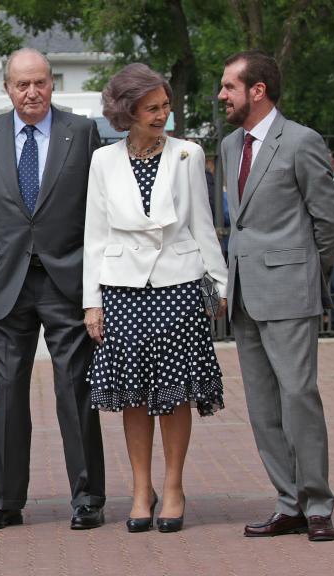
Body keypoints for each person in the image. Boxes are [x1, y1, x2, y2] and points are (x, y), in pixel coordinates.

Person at [0, 47, 106, 531]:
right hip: (5, 283)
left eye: (40, 82)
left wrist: (96, 285)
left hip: (67, 279)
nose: (32, 92)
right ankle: (5, 501)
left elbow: (98, 211)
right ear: (7, 88)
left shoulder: (81, 132)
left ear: (53, 83)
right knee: (8, 392)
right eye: (22, 84)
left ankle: (87, 498)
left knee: (74, 389)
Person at [83, 63, 229, 534]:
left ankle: (173, 487)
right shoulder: (103, 160)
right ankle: (141, 489)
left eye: (166, 106)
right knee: (134, 396)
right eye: (152, 108)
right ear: (127, 112)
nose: (162, 115)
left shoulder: (188, 153)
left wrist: (219, 284)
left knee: (176, 392)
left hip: (179, 284)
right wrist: (92, 301)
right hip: (122, 290)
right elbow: (95, 235)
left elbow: (202, 224)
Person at [218, 50, 334, 541]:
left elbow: (329, 222)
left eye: (229, 86)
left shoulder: (301, 141)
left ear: (258, 90)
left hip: (291, 292)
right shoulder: (230, 146)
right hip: (245, 295)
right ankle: (288, 501)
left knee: (298, 398)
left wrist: (308, 274)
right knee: (263, 407)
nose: (222, 94)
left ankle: (318, 506)